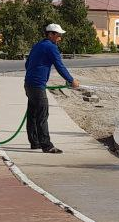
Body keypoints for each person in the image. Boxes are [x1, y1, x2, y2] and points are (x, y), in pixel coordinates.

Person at [24, 23, 79, 153]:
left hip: (29, 84)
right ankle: (47, 146)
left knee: (33, 114)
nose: (60, 38)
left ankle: (35, 142)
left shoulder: (37, 45)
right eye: (58, 35)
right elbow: (59, 66)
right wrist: (71, 80)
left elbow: (27, 64)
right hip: (37, 86)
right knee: (42, 115)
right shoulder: (51, 47)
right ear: (50, 34)